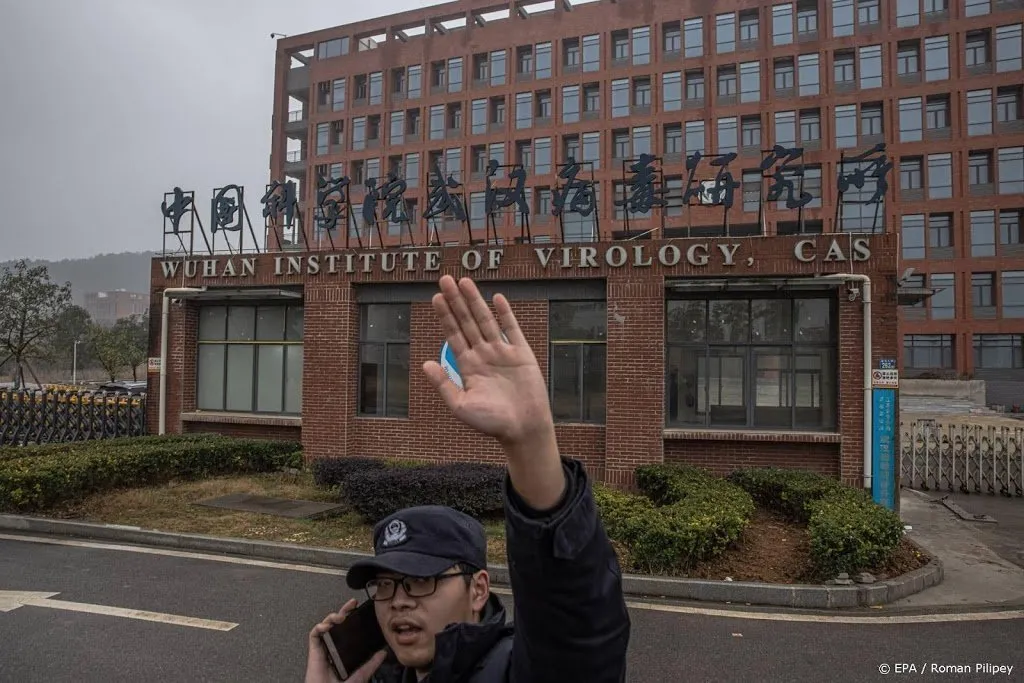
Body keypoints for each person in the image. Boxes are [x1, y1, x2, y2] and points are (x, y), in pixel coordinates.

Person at [305, 274, 631, 683]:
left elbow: (576, 627)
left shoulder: (516, 671)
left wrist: (531, 445)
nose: (398, 603)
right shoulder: (383, 676)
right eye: (385, 586)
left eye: (420, 581)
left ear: (478, 590)